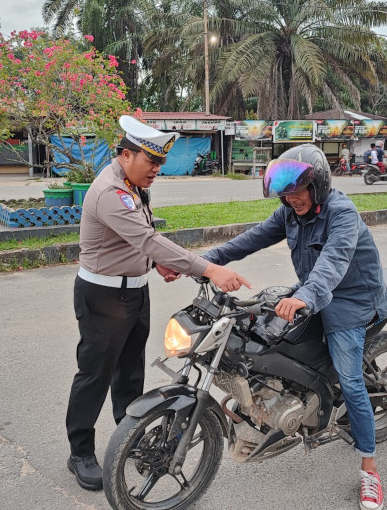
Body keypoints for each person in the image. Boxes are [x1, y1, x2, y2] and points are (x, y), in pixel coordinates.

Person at [66, 114, 251, 491]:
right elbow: (148, 240)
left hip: (134, 291)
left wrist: (155, 264)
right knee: (95, 374)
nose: (157, 170)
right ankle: (80, 452)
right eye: (152, 161)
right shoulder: (109, 192)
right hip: (103, 296)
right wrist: (209, 268)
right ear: (126, 155)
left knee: (130, 373)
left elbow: (138, 240)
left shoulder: (133, 185)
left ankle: (128, 437)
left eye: (161, 163)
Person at [202, 144, 387, 510]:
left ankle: (369, 469)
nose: (291, 198)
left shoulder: (342, 213)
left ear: (317, 185)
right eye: (285, 193)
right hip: (312, 290)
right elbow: (250, 239)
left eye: (298, 190)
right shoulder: (289, 212)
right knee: (259, 333)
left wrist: (306, 296)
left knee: (350, 381)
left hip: (352, 300)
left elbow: (333, 263)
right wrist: (204, 262)